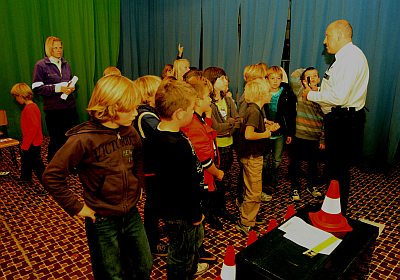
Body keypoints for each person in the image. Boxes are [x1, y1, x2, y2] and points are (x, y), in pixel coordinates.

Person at [42, 75, 153, 279]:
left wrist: (138, 186)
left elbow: (138, 162)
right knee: (110, 274)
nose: (136, 113)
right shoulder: (83, 139)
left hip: (131, 214)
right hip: (102, 219)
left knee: (143, 265)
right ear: (112, 108)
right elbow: (52, 176)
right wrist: (77, 207)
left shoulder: (130, 133)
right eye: (130, 109)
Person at [303, 19, 369, 215]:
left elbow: (340, 97)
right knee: (334, 167)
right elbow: (336, 89)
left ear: (339, 36)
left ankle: (337, 213)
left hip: (344, 121)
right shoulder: (345, 57)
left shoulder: (350, 59)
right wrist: (319, 90)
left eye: (327, 36)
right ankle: (332, 207)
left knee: (338, 169)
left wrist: (311, 95)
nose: (325, 41)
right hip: (341, 119)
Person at [153, 79, 209, 278]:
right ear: (179, 114)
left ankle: (190, 268)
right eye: (191, 108)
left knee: (186, 247)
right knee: (180, 253)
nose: (194, 112)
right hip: (182, 213)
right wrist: (195, 214)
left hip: (176, 208)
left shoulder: (162, 134)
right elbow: (184, 187)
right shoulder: (177, 146)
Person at [236, 78, 278, 235]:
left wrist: (265, 125)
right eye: (268, 92)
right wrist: (266, 133)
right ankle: (245, 222)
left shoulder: (255, 109)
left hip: (252, 155)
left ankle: (249, 218)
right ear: (261, 94)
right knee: (254, 191)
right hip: (252, 157)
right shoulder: (254, 111)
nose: (271, 94)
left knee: (252, 189)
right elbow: (249, 134)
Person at [182, 76, 225, 230]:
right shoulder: (193, 124)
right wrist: (217, 172)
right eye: (207, 96)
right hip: (204, 177)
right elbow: (204, 158)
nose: (210, 100)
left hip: (206, 176)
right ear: (197, 100)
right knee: (200, 212)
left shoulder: (197, 119)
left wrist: (207, 117)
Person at [132, 75, 168, 257]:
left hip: (151, 166)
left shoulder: (148, 112)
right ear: (148, 95)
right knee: (153, 203)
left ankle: (151, 231)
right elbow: (163, 135)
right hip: (151, 168)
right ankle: (151, 240)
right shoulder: (146, 116)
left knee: (156, 202)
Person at [32, 36, 79, 162]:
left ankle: (70, 163)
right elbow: (37, 88)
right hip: (54, 110)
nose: (59, 50)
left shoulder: (66, 63)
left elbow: (69, 81)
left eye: (60, 47)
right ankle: (53, 164)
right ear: (49, 49)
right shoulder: (41, 65)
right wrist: (58, 89)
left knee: (71, 137)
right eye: (55, 48)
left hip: (70, 107)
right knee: (57, 139)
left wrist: (71, 87)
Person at [203, 66, 240, 223]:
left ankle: (221, 208)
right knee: (213, 181)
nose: (227, 81)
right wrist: (229, 125)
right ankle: (210, 212)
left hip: (228, 146)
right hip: (215, 148)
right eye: (223, 78)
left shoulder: (229, 100)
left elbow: (237, 122)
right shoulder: (209, 104)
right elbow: (215, 128)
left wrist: (228, 128)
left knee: (223, 179)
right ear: (213, 80)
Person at [288, 68, 325, 202]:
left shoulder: (323, 94)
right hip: (299, 135)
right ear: (303, 81)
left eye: (316, 75)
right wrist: (306, 72)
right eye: (309, 77)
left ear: (320, 79)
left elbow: (325, 118)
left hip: (314, 136)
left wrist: (322, 138)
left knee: (313, 165)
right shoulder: (300, 91)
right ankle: (295, 188)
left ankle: (312, 185)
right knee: (296, 164)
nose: (313, 78)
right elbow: (294, 75)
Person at [263, 66, 297, 195]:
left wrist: (290, 133)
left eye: (278, 78)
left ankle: (273, 179)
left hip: (281, 132)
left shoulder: (287, 93)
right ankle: (265, 179)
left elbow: (291, 115)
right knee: (265, 158)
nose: (275, 81)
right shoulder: (263, 92)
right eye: (272, 78)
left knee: (277, 159)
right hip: (265, 132)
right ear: (267, 79)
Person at [10, 83, 46, 193]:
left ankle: (48, 185)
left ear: (21, 95)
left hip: (32, 143)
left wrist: (25, 145)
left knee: (37, 165)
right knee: (26, 160)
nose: (16, 100)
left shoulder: (29, 109)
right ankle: (25, 177)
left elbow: (33, 129)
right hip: (32, 141)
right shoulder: (32, 106)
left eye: (16, 97)